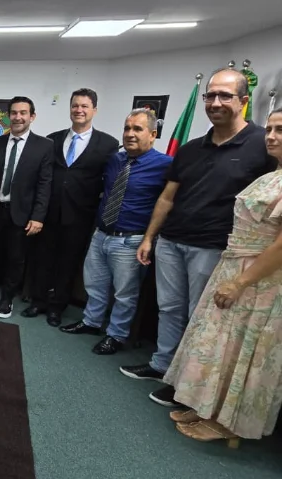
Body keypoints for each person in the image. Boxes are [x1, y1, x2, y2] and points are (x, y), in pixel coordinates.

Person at [121, 68, 278, 407]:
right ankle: (161, 364)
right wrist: (150, 237)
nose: (215, 102)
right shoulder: (191, 148)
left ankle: (187, 386)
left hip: (216, 249)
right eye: (210, 96)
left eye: (225, 96)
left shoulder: (261, 144)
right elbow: (167, 197)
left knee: (204, 318)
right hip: (172, 241)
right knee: (170, 308)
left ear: (244, 101)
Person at [162, 108, 282, 445]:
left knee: (243, 350)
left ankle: (227, 423)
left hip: (259, 281)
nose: (271, 136)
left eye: (280, 130)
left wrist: (240, 282)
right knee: (218, 345)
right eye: (269, 129)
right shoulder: (272, 174)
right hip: (235, 264)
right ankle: (206, 408)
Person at [59, 109, 172, 354]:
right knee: (95, 285)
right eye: (127, 128)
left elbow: (169, 203)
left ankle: (116, 335)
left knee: (124, 294)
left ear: (153, 134)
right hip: (101, 234)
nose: (130, 134)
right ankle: (91, 321)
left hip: (131, 240)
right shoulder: (114, 160)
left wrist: (150, 239)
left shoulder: (165, 165)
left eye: (137, 129)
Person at [24, 89, 120, 327]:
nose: (79, 110)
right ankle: (38, 301)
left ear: (94, 110)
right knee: (42, 259)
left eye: (85, 106)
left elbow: (109, 181)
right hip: (48, 213)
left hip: (80, 215)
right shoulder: (52, 140)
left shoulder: (109, 144)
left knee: (68, 263)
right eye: (75, 105)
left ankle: (57, 307)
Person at [0, 97, 52, 317]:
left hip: (22, 214)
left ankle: (7, 298)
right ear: (9, 116)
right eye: (14, 113)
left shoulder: (44, 146)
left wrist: (38, 216)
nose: (17, 117)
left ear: (31, 116)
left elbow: (44, 184)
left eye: (23, 113)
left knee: (16, 259)